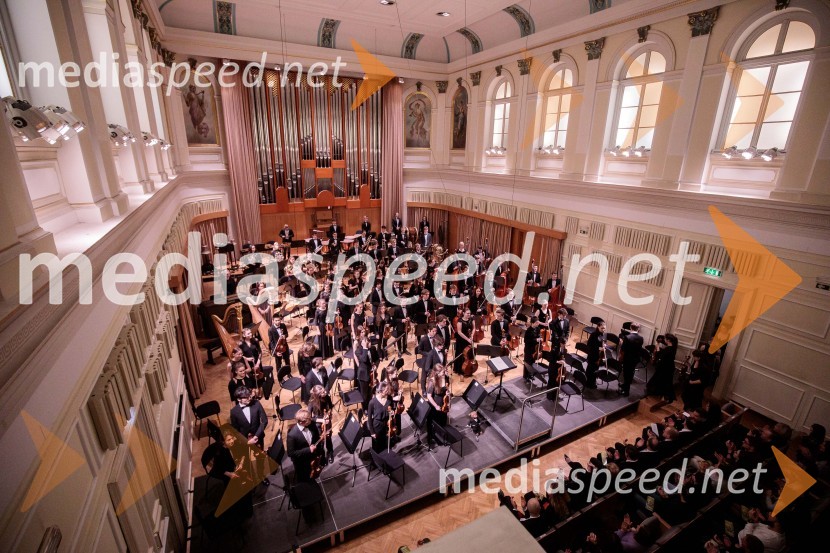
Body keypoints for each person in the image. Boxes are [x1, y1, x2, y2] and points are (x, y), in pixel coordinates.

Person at [287, 408, 322, 481]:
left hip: (313, 457)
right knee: (304, 479)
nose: (311, 420)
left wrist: (321, 438)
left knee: (313, 476)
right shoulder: (292, 435)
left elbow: (315, 437)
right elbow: (291, 453)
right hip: (302, 462)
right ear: (301, 422)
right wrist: (308, 450)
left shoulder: (311, 424)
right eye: (308, 419)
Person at [307, 385, 335, 464]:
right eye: (323, 392)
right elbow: (309, 418)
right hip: (318, 424)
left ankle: (330, 452)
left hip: (327, 421)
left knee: (328, 438)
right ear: (317, 395)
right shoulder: (311, 403)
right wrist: (321, 420)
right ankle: (322, 456)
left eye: (324, 391)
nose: (325, 392)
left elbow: (330, 407)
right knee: (321, 441)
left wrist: (329, 415)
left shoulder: (327, 397)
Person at [425, 364, 449, 447]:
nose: (444, 373)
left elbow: (445, 388)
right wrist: (435, 406)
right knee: (436, 422)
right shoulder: (432, 381)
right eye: (442, 372)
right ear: (437, 373)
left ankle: (442, 436)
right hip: (435, 404)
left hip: (443, 402)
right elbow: (429, 396)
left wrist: (447, 392)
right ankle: (436, 438)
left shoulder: (443, 377)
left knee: (443, 420)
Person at [648, 334, 677, 402]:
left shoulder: (668, 349)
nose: (664, 340)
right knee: (665, 381)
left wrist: (657, 346)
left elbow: (660, 355)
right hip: (669, 366)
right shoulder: (673, 347)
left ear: (668, 340)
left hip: (665, 367)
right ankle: (664, 396)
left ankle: (662, 395)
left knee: (662, 380)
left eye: (665, 339)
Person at [367, 381, 392, 453]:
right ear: (380, 391)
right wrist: (372, 432)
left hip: (387, 426)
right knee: (377, 448)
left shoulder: (389, 399)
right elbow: (369, 418)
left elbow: (391, 408)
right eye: (386, 390)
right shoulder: (372, 402)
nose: (388, 392)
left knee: (386, 446)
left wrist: (392, 412)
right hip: (377, 426)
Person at [619, 323, 644, 396]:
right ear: (638, 329)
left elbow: (623, 350)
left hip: (627, 358)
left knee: (626, 374)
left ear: (630, 328)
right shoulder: (641, 338)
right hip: (635, 359)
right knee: (630, 373)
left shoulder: (627, 337)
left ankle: (626, 391)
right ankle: (625, 385)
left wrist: (621, 357)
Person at [355, 335, 373, 410]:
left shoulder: (370, 349)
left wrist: (373, 365)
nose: (369, 343)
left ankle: (369, 406)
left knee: (369, 393)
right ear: (362, 343)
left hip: (369, 373)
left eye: (368, 341)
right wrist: (365, 348)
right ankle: (364, 409)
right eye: (367, 342)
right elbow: (364, 359)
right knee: (364, 394)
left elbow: (371, 360)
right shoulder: (358, 351)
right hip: (363, 375)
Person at [586, 320, 605, 388]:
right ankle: (589, 383)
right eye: (602, 328)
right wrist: (599, 348)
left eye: (604, 328)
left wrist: (604, 346)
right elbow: (589, 345)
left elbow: (603, 343)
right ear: (598, 327)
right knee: (591, 369)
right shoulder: (593, 334)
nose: (603, 330)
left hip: (598, 356)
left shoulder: (603, 334)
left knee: (595, 369)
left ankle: (592, 381)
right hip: (592, 355)